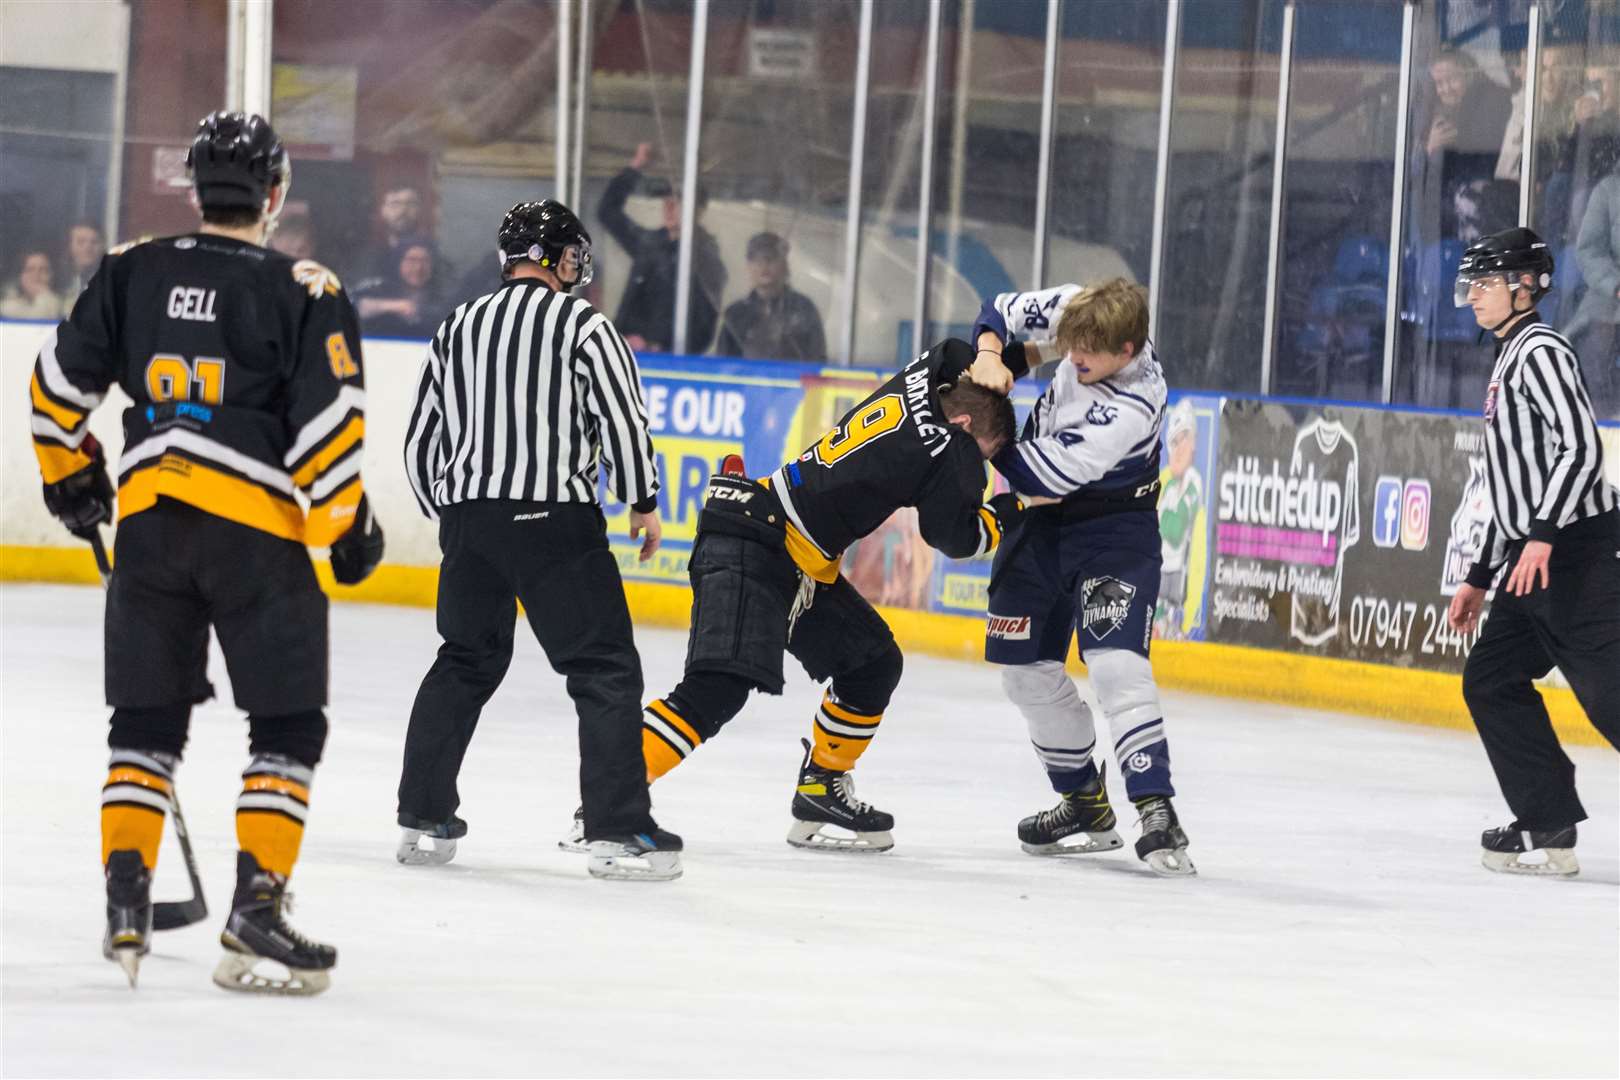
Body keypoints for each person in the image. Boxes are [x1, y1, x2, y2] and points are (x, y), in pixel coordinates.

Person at [27, 111, 385, 993]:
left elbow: (53, 393)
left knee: (143, 728)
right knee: (289, 725)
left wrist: (70, 475)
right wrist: (348, 529)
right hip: (256, 538)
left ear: (194, 187)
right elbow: (329, 431)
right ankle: (257, 906)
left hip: (150, 524)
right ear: (275, 193)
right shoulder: (304, 286)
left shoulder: (131, 267)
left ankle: (125, 901)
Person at [571, 338, 1026, 854]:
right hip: (759, 543)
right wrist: (1009, 513)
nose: (980, 473)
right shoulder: (953, 445)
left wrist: (993, 353)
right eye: (985, 457)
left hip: (786, 551)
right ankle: (608, 803)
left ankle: (820, 789)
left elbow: (951, 349)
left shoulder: (924, 377)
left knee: (872, 665)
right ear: (967, 429)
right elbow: (955, 536)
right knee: (714, 690)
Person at [398, 200, 681, 882]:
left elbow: (418, 442)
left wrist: (455, 514)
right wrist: (643, 499)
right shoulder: (583, 324)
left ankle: (421, 816)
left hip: (469, 522)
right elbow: (620, 415)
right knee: (603, 668)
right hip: (554, 519)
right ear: (557, 258)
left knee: (463, 660)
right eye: (574, 256)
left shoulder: (458, 324)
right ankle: (616, 829)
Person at [967, 278, 1194, 876]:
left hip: (1111, 535)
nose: (1073, 358)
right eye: (1068, 346)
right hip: (1040, 530)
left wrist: (978, 425)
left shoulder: (1131, 406)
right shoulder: (1081, 311)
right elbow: (997, 311)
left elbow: (1033, 477)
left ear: (1127, 351)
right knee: (1023, 673)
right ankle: (1084, 803)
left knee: (1116, 664)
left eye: (1088, 355)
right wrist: (993, 354)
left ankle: (1155, 807)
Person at [1445, 226, 1619, 878]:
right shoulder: (1508, 355)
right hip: (1531, 557)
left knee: (1611, 697)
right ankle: (1549, 823)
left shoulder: (1541, 350)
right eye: (1473, 283)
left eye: (1486, 283)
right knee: (1490, 680)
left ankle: (1548, 821)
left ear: (1526, 287)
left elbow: (1581, 447)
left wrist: (1543, 534)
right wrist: (1480, 574)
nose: (1474, 296)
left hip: (1573, 553)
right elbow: (1511, 481)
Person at [597, 142, 726, 353]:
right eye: (666, 200)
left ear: (698, 210)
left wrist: (656, 346)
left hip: (667, 369)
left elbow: (704, 328)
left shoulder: (705, 260)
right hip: (624, 357)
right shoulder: (650, 244)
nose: (668, 207)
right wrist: (635, 167)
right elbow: (607, 212)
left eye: (677, 201)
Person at [715, 231, 826, 361]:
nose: (764, 265)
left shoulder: (803, 308)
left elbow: (817, 359)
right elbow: (723, 365)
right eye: (756, 259)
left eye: (771, 258)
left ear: (785, 264)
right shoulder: (735, 314)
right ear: (748, 266)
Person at [1566, 173, 1620, 420]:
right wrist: (1615, 285)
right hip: (1608, 303)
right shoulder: (1609, 191)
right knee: (1591, 356)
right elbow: (1589, 252)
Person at [1154, 399, 1203, 641]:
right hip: (1155, 579)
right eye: (1174, 441)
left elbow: (1173, 530)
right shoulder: (1163, 480)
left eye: (1184, 439)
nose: (1179, 448)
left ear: (1193, 443)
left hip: (1175, 582)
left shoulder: (1194, 481)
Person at [353, 237, 447, 339]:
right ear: (398, 262)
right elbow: (354, 308)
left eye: (425, 261)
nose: (418, 268)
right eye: (411, 260)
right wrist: (392, 306)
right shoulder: (378, 288)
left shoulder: (443, 297)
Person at [360, 183, 427, 281]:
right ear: (383, 211)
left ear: (420, 210)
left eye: (410, 204)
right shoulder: (366, 260)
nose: (403, 210)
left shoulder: (434, 259)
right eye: (395, 204)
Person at [0, 247, 63, 319]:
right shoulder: (7, 304)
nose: (36, 275)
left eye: (43, 270)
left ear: (51, 275)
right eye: (30, 269)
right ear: (20, 275)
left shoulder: (63, 303)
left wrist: (46, 296)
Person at [59, 219, 106, 302]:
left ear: (102, 246)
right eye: (81, 242)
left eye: (94, 242)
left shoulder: (110, 283)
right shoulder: (58, 282)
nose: (88, 248)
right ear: (70, 246)